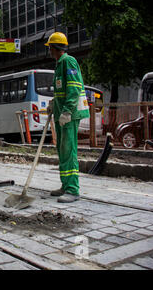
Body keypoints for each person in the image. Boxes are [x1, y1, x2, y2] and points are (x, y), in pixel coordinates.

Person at [45, 32, 90, 203]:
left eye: (50, 47)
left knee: (69, 150)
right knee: (62, 150)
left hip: (69, 115)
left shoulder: (68, 61)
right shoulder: (59, 64)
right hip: (62, 113)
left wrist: (66, 111)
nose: (49, 50)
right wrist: (53, 104)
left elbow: (73, 88)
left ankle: (73, 189)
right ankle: (65, 185)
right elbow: (61, 91)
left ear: (54, 47)